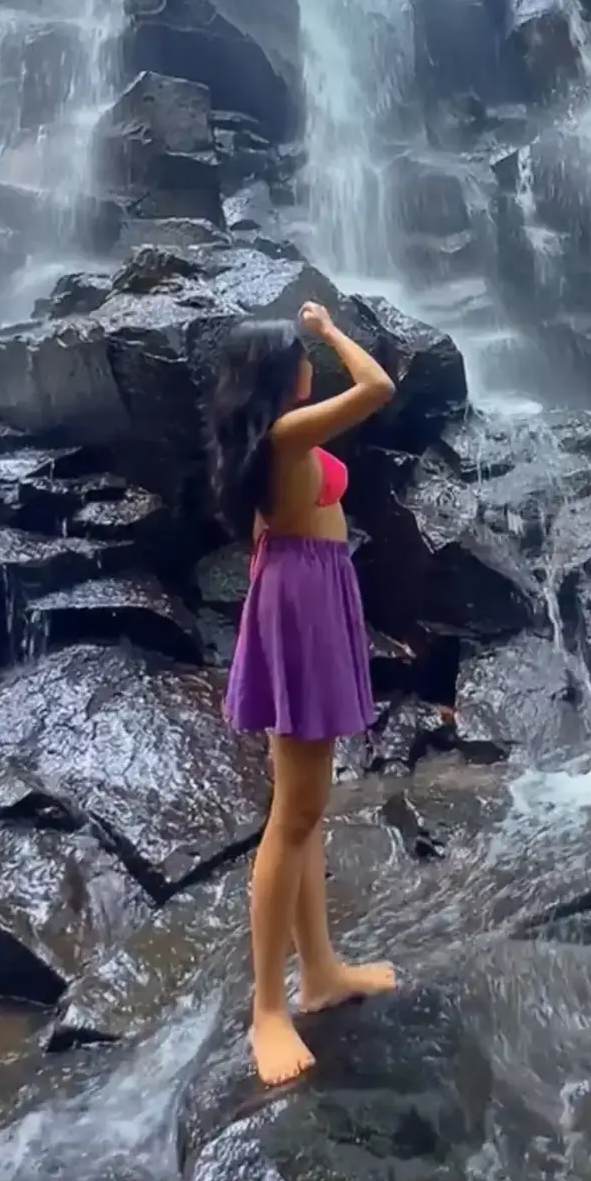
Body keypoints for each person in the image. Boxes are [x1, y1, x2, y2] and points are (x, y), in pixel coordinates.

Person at [208, 302, 398, 1086]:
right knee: (291, 817)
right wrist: (327, 328)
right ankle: (267, 1010)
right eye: (302, 357)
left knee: (309, 808)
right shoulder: (287, 435)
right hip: (302, 604)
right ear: (289, 374)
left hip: (311, 596)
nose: (311, 363)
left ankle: (319, 972)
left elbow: (268, 533)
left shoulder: (270, 441)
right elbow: (379, 385)